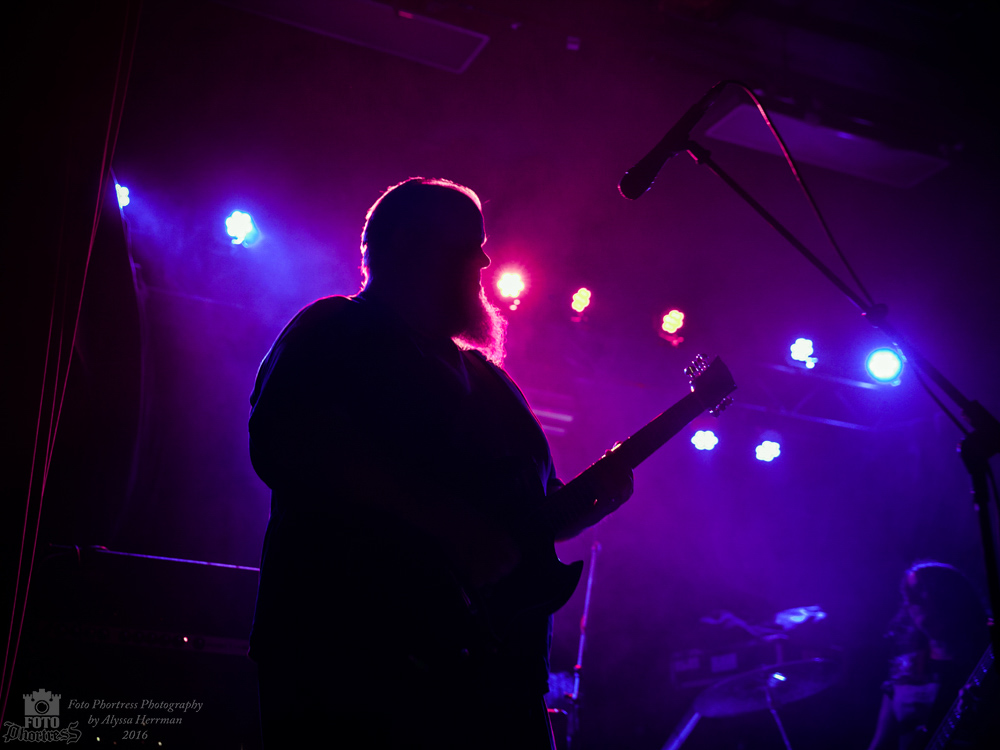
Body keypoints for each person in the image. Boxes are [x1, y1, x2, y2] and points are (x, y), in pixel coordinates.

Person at [247, 178, 634, 748]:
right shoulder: (335, 329)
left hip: (493, 679)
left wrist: (579, 509)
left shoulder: (491, 382)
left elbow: (523, 518)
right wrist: (449, 523)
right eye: (466, 246)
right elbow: (287, 443)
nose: (481, 260)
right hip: (356, 660)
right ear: (409, 247)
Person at [865, 560, 992, 750]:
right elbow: (881, 743)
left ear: (950, 595)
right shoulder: (903, 670)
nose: (911, 602)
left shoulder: (986, 662)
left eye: (921, 590)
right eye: (908, 595)